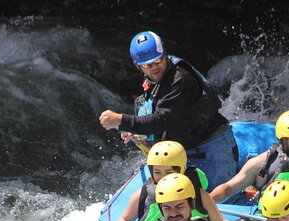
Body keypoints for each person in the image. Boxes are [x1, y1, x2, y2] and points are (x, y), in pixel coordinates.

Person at [99, 31, 238, 191]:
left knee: (211, 198)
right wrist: (134, 129)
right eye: (147, 65)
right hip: (184, 150)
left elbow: (160, 120)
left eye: (158, 61)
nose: (154, 68)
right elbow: (154, 110)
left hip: (211, 147)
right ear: (137, 66)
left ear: (165, 55)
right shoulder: (155, 78)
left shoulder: (179, 80)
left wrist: (122, 120)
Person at [104, 140, 241, 221]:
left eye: (169, 172)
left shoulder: (198, 195)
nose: (163, 177)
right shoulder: (142, 195)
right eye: (157, 172)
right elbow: (125, 219)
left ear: (182, 170)